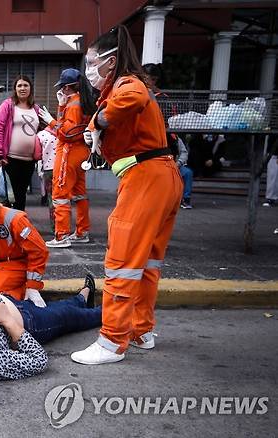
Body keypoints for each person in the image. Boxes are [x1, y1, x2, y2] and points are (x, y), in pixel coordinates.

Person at [70, 25, 182, 365]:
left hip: (145, 179)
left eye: (92, 62)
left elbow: (131, 100)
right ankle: (139, 330)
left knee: (122, 261)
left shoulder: (126, 84)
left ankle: (111, 341)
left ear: (111, 61)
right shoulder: (127, 85)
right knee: (146, 264)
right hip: (162, 177)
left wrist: (97, 123)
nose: (89, 70)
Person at [39, 68, 96, 248]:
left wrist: (51, 120)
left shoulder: (73, 104)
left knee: (60, 193)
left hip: (69, 152)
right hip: (81, 153)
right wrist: (61, 106)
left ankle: (61, 235)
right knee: (79, 193)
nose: (61, 90)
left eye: (63, 87)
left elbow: (66, 133)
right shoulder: (83, 101)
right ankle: (82, 232)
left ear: (68, 87)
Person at [142, 63, 194, 209]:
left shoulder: (161, 98)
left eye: (145, 78)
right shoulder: (141, 94)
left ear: (154, 79)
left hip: (160, 143)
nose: (141, 81)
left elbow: (168, 122)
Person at [0, 75, 41, 211]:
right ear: (15, 89)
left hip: (29, 161)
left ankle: (18, 226)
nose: (23, 88)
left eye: (26, 85)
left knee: (21, 196)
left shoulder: (36, 109)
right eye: (19, 85)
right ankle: (5, 227)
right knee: (8, 197)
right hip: (10, 160)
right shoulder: (7, 105)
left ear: (30, 88)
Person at [36, 128, 57, 228]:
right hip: (62, 168)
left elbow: (37, 155)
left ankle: (55, 226)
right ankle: (64, 226)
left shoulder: (41, 135)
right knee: (64, 199)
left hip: (48, 169)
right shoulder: (62, 133)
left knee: (51, 198)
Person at [263, 138, 278, 207]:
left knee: (273, 178)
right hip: (272, 155)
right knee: (272, 178)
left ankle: (271, 198)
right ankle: (270, 198)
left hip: (274, 155)